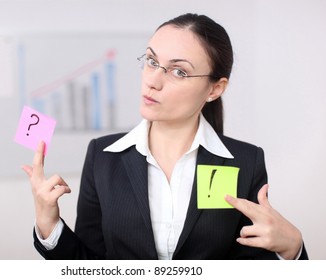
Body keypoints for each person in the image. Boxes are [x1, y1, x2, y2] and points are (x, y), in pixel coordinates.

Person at [22, 13, 308, 260]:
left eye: (179, 71)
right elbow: (90, 265)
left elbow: (250, 266)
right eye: (151, 61)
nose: (153, 80)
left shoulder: (245, 162)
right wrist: (49, 224)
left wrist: (293, 249)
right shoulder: (103, 155)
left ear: (215, 89)